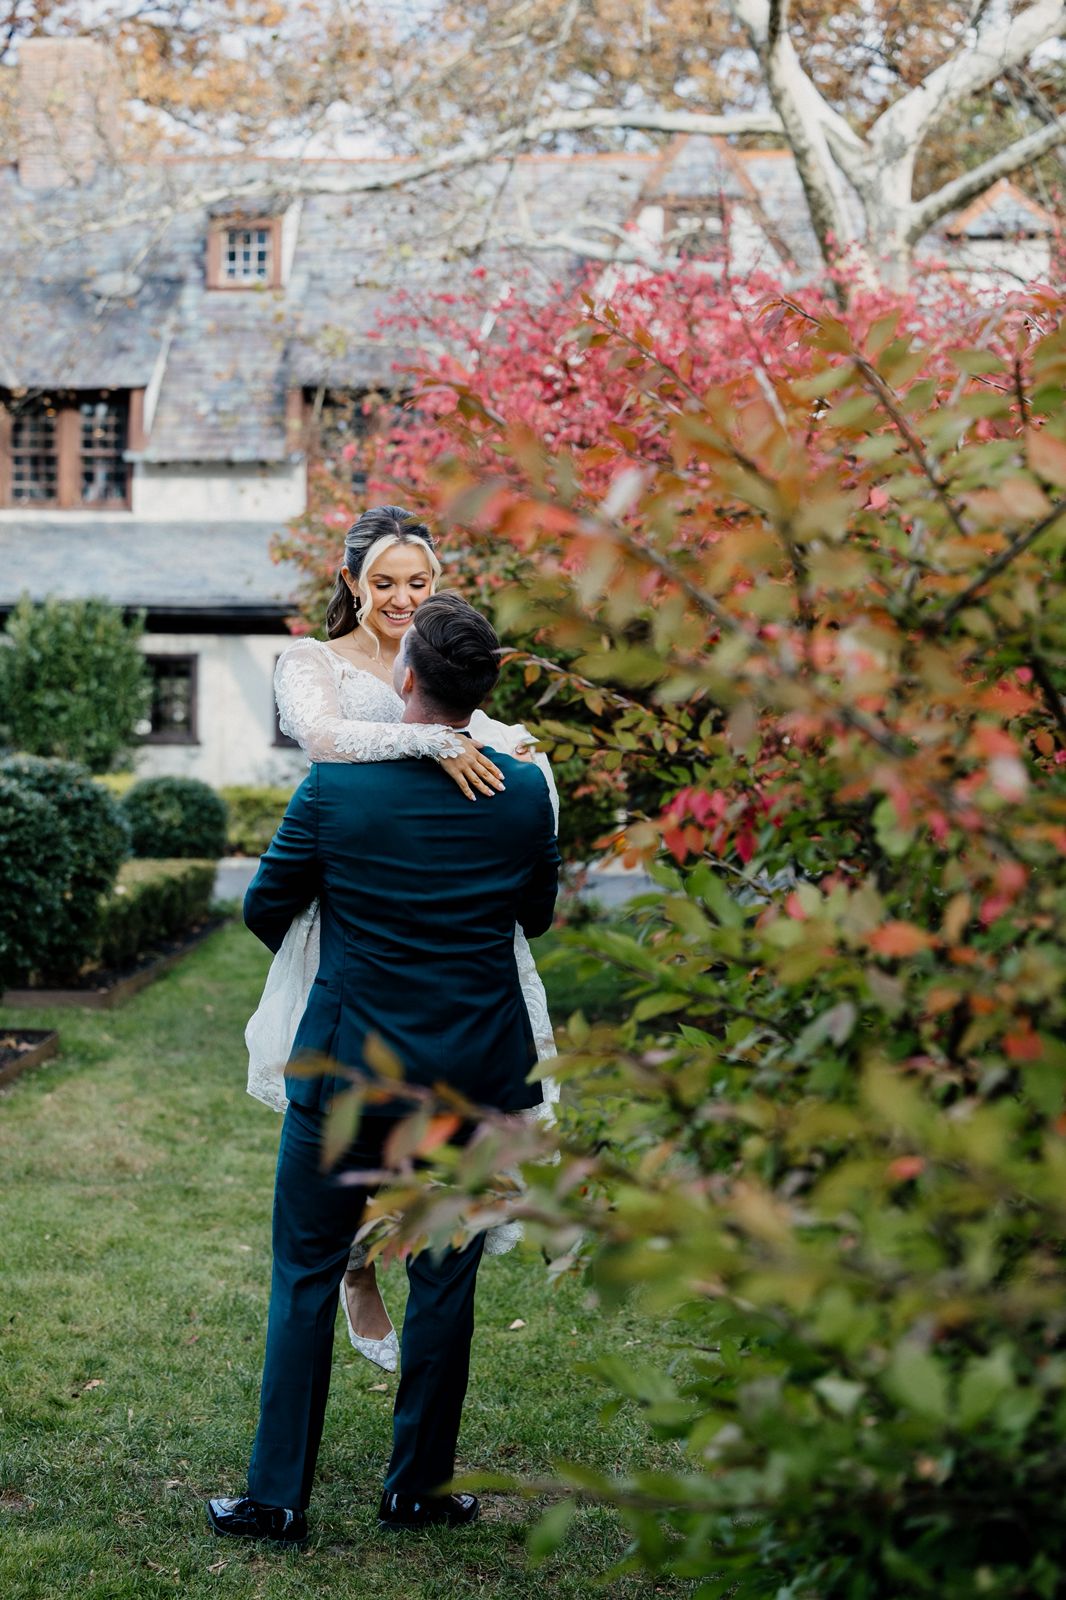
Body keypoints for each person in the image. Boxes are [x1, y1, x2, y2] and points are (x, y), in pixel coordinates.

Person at [208, 591, 561, 1541]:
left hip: (346, 1071)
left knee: (306, 1271)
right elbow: (534, 916)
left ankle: (276, 1498)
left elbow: (264, 905)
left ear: (405, 677)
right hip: (475, 1076)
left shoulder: (335, 790)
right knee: (445, 1278)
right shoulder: (525, 789)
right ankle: (418, 1490)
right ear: (481, 690)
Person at [245, 506, 559, 1373]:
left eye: (418, 582)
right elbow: (321, 739)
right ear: (351, 583)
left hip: (452, 945)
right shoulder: (316, 663)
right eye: (383, 581)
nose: (402, 597)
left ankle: (380, 1249)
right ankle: (355, 1269)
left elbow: (503, 774)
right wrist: (428, 744)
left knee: (422, 1132)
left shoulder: (444, 664)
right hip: (354, 926)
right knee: (351, 1126)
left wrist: (507, 755)